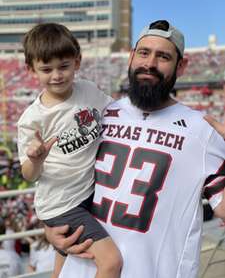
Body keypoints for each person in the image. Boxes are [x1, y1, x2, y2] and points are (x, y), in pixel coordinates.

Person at [45, 20, 225, 278]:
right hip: (82, 269)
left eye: (163, 56)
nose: (150, 63)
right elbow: (68, 188)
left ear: (181, 66)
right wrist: (51, 229)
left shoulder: (203, 130)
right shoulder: (101, 114)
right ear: (131, 57)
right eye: (144, 53)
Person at [17, 22, 122, 278]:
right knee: (111, 263)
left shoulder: (87, 90)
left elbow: (117, 111)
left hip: (86, 194)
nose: (56, 75)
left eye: (64, 66)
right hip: (63, 204)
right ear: (32, 70)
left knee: (62, 270)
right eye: (46, 69)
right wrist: (36, 159)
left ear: (77, 61)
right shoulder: (32, 119)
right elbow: (29, 175)